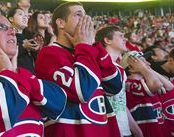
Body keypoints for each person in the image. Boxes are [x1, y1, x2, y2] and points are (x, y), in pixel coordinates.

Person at [35, 2, 122, 137]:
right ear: (61, 23)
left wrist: (94, 45)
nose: (85, 20)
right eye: (78, 15)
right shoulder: (49, 54)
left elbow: (115, 86)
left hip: (104, 130)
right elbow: (81, 92)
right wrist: (84, 46)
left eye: (86, 15)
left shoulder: (88, 50)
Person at [95, 26, 143, 137]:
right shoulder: (97, 65)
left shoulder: (120, 69)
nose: (125, 39)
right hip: (107, 130)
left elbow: (121, 103)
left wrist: (136, 130)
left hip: (124, 130)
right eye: (120, 36)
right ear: (107, 40)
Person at [121, 51, 173, 137]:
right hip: (148, 132)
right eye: (143, 61)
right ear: (131, 67)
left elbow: (169, 87)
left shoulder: (147, 80)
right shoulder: (129, 84)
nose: (148, 63)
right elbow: (156, 85)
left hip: (160, 130)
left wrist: (147, 68)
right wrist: (143, 68)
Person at [8, 7, 37, 74]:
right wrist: (24, 46)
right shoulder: (8, 35)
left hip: (30, 76)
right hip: (17, 77)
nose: (25, 18)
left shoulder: (27, 36)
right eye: (20, 14)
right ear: (11, 19)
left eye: (26, 16)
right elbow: (8, 55)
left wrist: (37, 48)